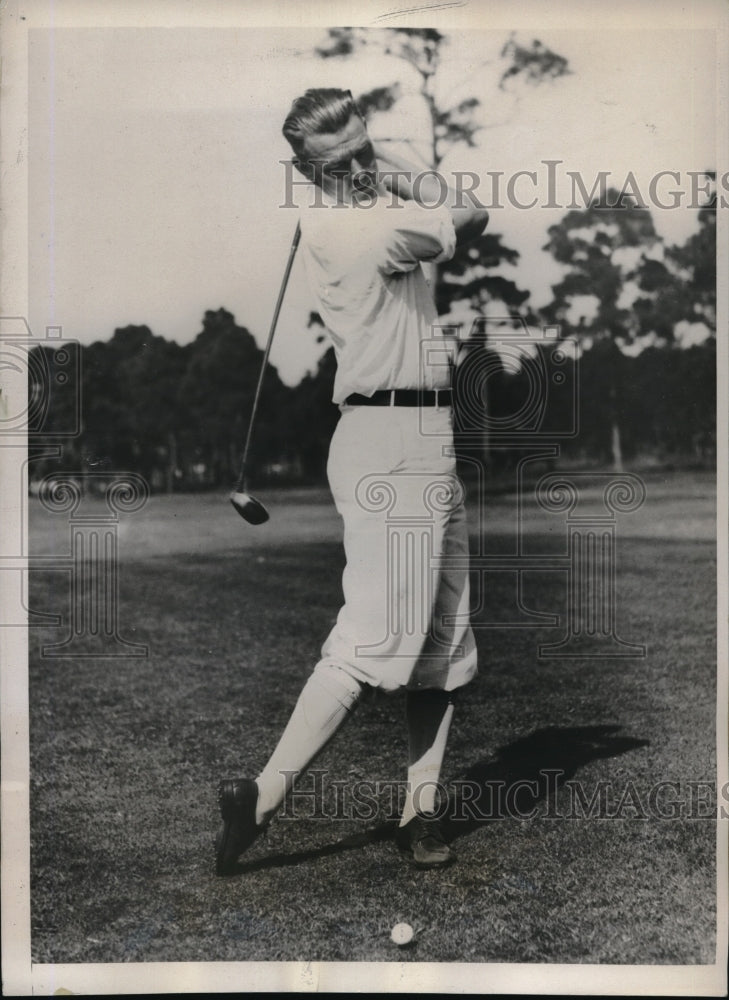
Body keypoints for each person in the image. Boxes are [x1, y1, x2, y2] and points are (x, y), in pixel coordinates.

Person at [215, 88, 488, 875]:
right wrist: (398, 164)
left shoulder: (352, 212)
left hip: (426, 434)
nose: (364, 168)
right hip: (387, 442)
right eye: (344, 162)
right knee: (372, 644)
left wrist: (372, 156)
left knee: (442, 639)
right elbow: (466, 211)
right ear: (307, 171)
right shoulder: (351, 230)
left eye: (368, 149)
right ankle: (261, 798)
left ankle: (420, 814)